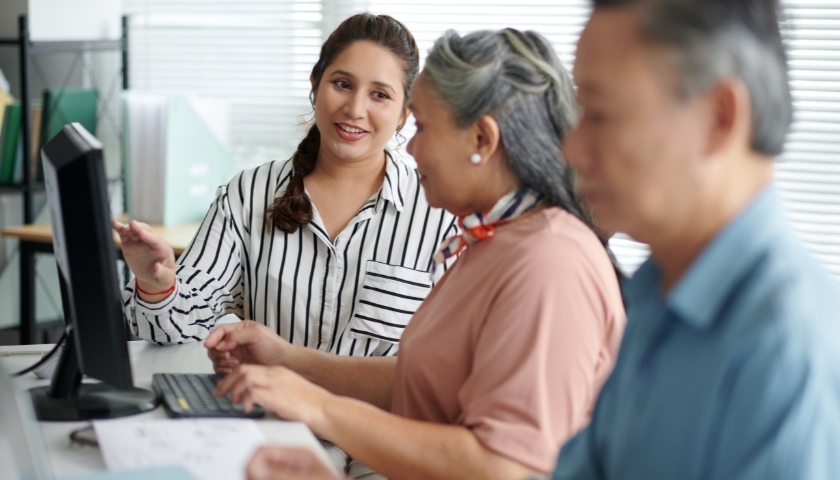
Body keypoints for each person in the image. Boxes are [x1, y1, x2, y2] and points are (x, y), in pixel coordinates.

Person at [211, 28, 626, 480]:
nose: (409, 146)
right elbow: (426, 383)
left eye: (423, 127)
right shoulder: (491, 240)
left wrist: (322, 409)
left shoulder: (549, 261)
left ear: (481, 141)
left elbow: (508, 466)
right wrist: (289, 361)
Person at [548, 0, 840, 478]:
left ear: (718, 118)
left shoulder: (785, 350)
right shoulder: (656, 294)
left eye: (598, 114)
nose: (571, 148)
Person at [112, 13, 458, 356]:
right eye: (342, 84)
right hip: (267, 410)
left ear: (404, 113)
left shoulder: (441, 213)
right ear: (315, 85)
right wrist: (157, 285)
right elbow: (175, 328)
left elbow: (448, 364)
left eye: (380, 95)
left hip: (376, 412)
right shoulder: (248, 195)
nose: (355, 108)